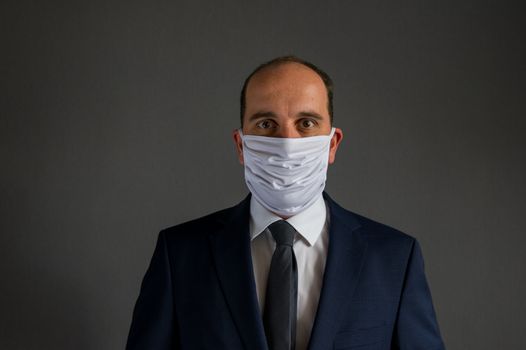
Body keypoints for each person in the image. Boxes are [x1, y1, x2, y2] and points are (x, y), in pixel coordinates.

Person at [126, 56, 445, 350]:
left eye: (306, 123)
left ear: (332, 144)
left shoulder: (394, 259)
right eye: (266, 124)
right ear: (241, 145)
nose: (287, 144)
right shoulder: (180, 254)